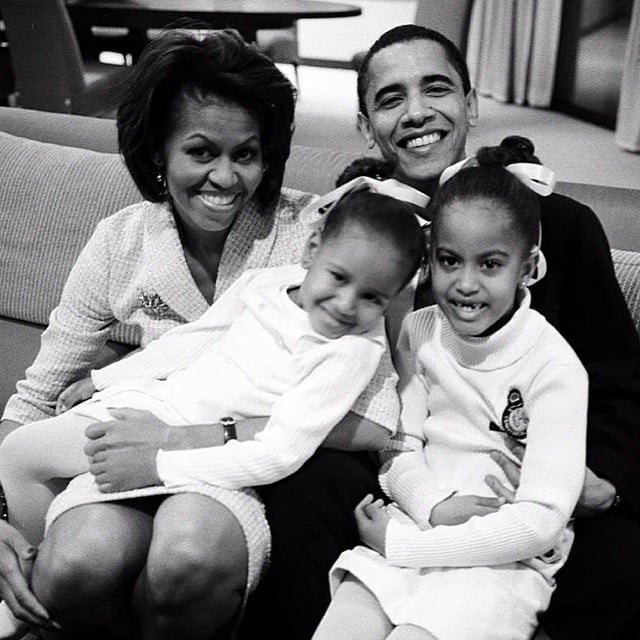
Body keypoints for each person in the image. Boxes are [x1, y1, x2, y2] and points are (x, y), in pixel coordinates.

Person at [239, 25, 640, 640]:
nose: (418, 112)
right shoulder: (356, 228)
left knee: (618, 560)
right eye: (391, 98)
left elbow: (619, 381)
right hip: (393, 455)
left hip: (529, 476)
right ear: (366, 123)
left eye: (437, 89)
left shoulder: (556, 223)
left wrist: (601, 483)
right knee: (304, 491)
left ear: (472, 104)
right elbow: (294, 343)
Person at [0, 28, 400, 638]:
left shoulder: (311, 240)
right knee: (78, 562)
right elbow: (37, 394)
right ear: (158, 152)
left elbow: (371, 419)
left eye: (246, 153)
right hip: (126, 440)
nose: (226, 178)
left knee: (185, 558)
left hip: (237, 469)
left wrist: (190, 438)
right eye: (201, 151)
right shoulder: (121, 240)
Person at [312, 143, 588, 640]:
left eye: (490, 264)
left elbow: (541, 521)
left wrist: (407, 547)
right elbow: (398, 445)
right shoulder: (419, 330)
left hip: (501, 563)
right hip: (415, 525)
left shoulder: (556, 365)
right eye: (448, 260)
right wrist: (433, 508)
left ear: (527, 268)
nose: (464, 283)